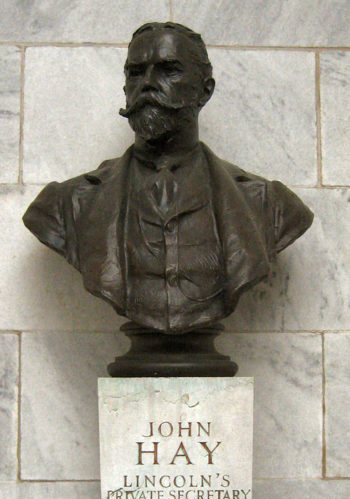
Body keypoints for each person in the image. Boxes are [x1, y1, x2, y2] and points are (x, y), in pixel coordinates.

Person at [23, 22, 313, 334]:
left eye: (167, 70)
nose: (147, 84)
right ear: (125, 88)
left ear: (205, 90)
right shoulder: (68, 204)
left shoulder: (268, 204)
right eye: (135, 73)